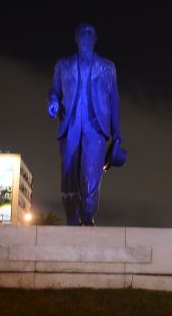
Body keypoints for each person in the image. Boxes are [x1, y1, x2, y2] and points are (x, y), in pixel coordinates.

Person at [47, 23, 122, 225]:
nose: (86, 36)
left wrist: (117, 132)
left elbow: (114, 99)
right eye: (82, 32)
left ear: (95, 38)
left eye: (90, 33)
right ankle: (72, 216)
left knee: (92, 173)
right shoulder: (63, 65)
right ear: (76, 38)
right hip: (70, 124)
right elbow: (54, 90)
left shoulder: (107, 66)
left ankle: (88, 215)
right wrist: (53, 102)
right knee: (69, 172)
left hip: (96, 126)